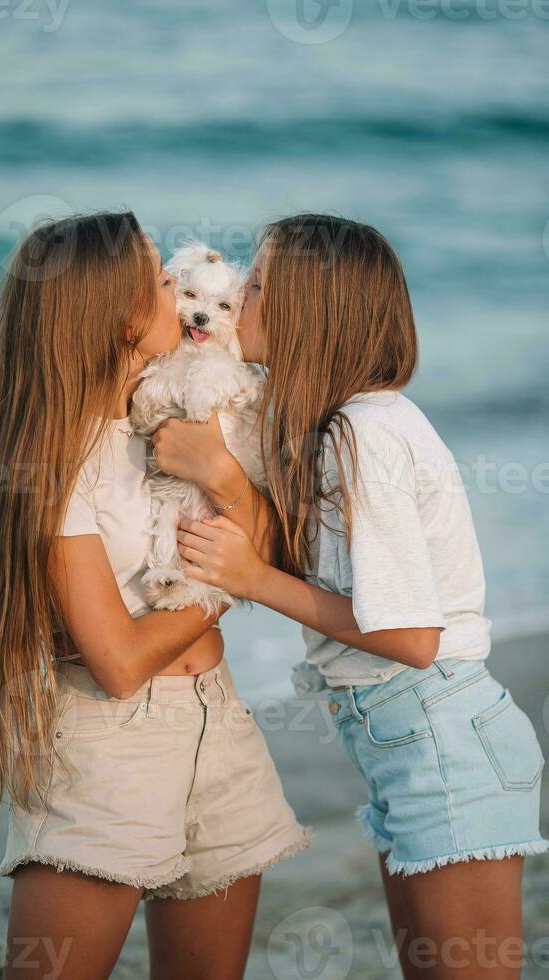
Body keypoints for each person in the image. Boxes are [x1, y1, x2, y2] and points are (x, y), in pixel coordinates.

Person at [0, 212, 351, 980]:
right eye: (163, 281)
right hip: (105, 740)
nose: (182, 294)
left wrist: (224, 482)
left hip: (218, 720)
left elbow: (281, 548)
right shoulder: (60, 464)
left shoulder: (180, 424)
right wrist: (236, 584)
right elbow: (121, 663)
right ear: (119, 314)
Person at [154, 213, 548, 979]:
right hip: (413, 738)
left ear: (311, 312)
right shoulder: (342, 426)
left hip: (441, 741)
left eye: (259, 287)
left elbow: (410, 637)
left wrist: (252, 579)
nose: (241, 296)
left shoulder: (360, 433)